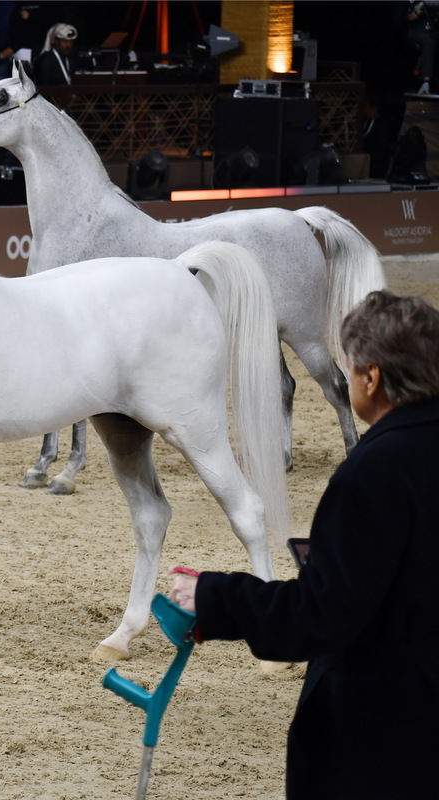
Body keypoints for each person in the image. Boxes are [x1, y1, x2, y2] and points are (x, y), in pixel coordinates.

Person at [168, 290, 439, 799]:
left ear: (372, 378)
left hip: (392, 733)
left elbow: (324, 613)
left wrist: (216, 598)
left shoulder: (373, 473)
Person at [398, 1, 435, 93]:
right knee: (429, 40)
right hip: (415, 30)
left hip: (432, 29)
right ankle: (426, 82)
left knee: (433, 38)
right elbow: (402, 18)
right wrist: (416, 13)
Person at [33, 22, 77, 87]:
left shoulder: (70, 57)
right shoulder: (45, 61)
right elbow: (43, 86)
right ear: (56, 41)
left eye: (71, 42)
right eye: (65, 41)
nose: (69, 45)